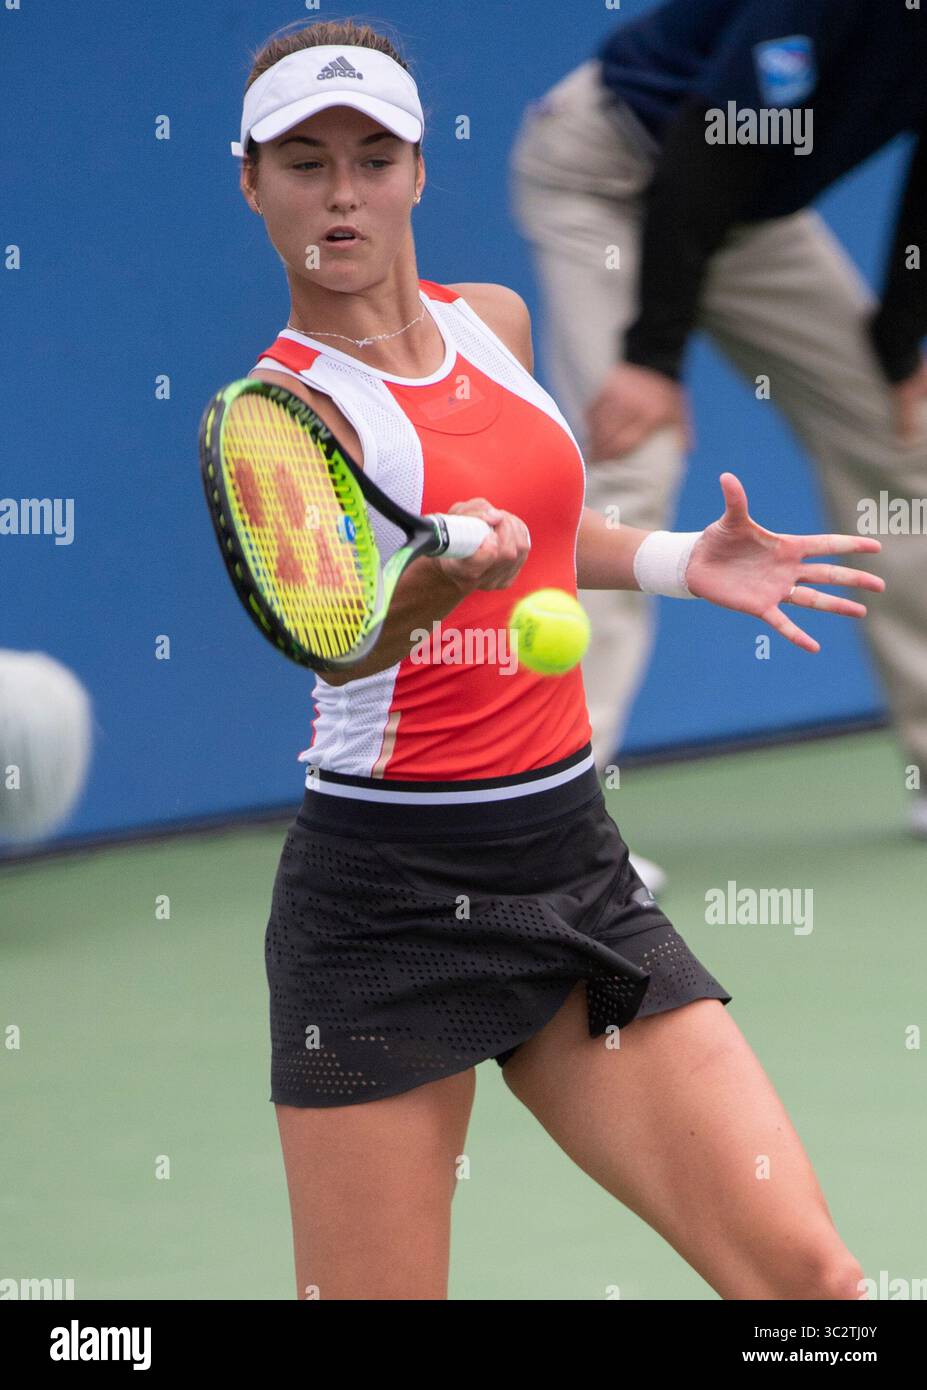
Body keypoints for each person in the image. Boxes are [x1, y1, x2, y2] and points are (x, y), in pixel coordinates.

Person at [232, 18, 882, 1300]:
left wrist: (679, 557)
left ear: (421, 168)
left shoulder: (496, 322)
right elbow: (343, 642)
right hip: (384, 905)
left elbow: (539, 528)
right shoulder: (284, 412)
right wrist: (435, 583)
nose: (344, 192)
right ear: (250, 181)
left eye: (374, 154)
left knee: (811, 1282)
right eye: (305, 162)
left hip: (571, 867)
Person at [510, 0, 927, 869]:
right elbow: (710, 139)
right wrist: (651, 358)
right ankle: (552, 834)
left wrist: (895, 352)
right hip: (608, 172)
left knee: (900, 448)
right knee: (630, 471)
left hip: (740, 213)